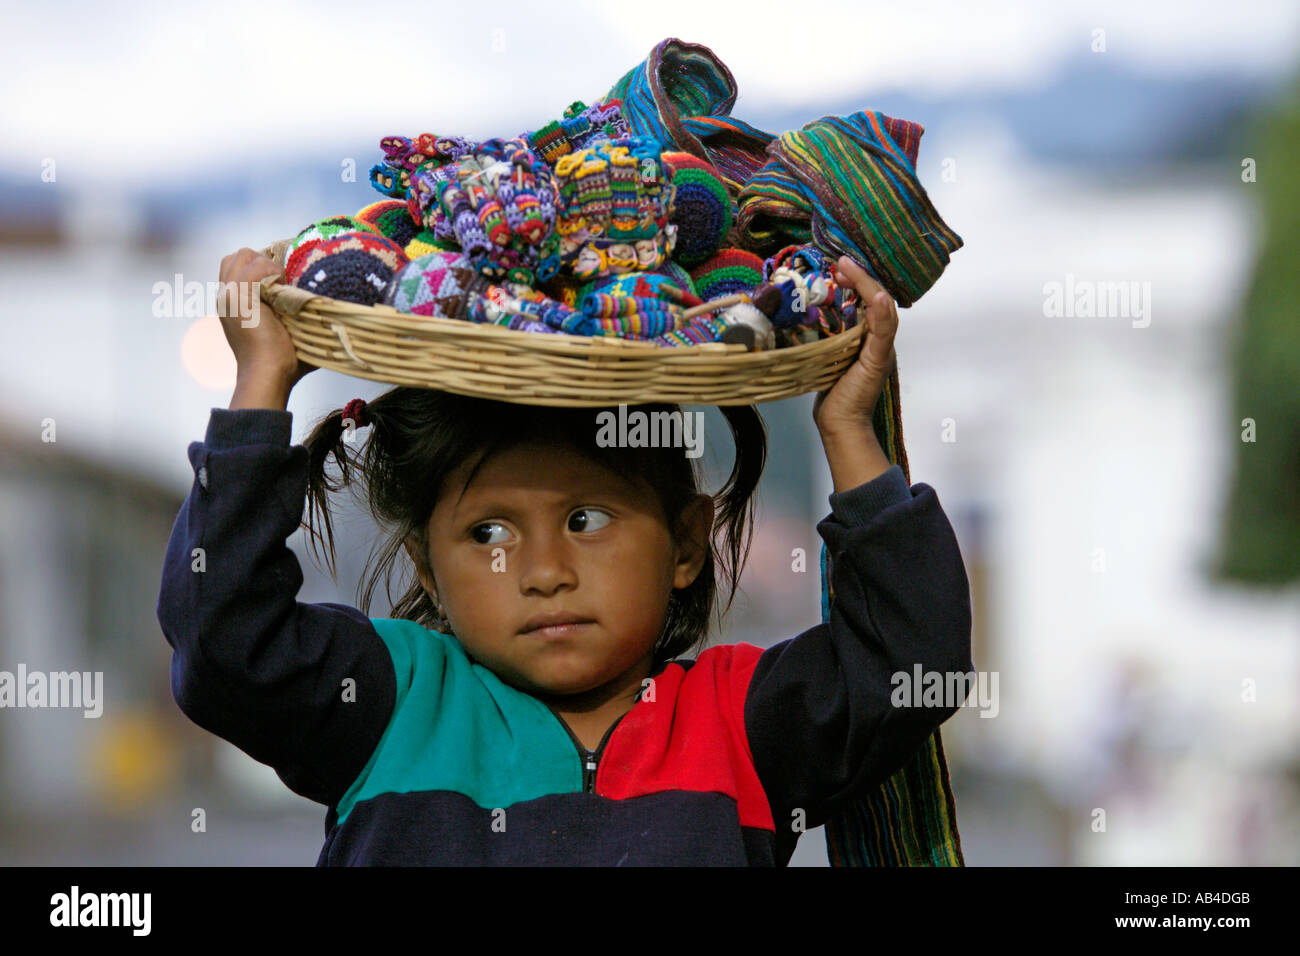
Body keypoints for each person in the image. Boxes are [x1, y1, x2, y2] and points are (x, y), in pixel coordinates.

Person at [155, 248, 973, 865]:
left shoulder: (739, 722)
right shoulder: (394, 703)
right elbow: (226, 642)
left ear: (687, 542)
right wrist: (262, 383)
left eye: (586, 518)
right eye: (490, 534)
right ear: (429, 570)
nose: (544, 571)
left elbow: (912, 657)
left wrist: (849, 432)